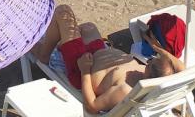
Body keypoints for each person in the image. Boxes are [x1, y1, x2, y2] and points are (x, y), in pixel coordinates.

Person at [30, 6, 186, 113]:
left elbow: (91, 107)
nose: (150, 59)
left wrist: (84, 70)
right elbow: (182, 69)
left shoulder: (125, 90)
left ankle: (44, 54)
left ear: (151, 70)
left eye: (152, 60)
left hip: (81, 66)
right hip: (98, 53)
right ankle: (61, 40)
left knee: (63, 13)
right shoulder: (154, 81)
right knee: (88, 27)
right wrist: (157, 47)